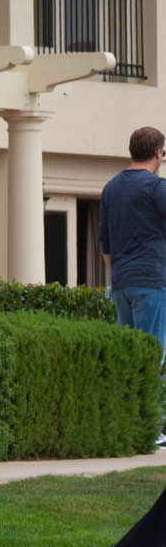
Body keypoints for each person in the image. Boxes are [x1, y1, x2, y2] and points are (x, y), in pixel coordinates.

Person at [101, 127, 166, 446]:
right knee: (152, 356)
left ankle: (127, 427)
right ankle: (150, 430)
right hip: (152, 281)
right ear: (158, 154)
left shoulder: (111, 188)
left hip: (122, 283)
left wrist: (116, 278)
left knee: (128, 356)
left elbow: (105, 243)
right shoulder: (156, 187)